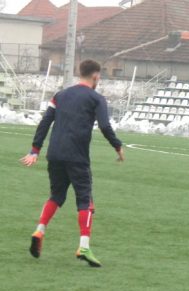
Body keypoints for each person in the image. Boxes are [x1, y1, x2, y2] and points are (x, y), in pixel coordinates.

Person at [20, 59, 124, 268]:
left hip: (55, 154)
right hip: (77, 157)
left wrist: (35, 150)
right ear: (95, 76)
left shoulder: (60, 95)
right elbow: (104, 125)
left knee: (56, 196)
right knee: (85, 201)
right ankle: (84, 246)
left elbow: (45, 121)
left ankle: (39, 230)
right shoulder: (97, 98)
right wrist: (117, 146)